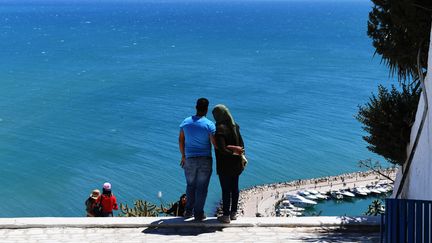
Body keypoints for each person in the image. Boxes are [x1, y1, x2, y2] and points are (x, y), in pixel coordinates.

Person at [179, 98, 216, 221]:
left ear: (196, 107)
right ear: (206, 109)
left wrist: (183, 156)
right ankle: (199, 213)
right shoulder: (209, 124)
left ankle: (188, 212)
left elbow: (181, 140)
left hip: (189, 159)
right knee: (202, 187)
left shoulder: (185, 122)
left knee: (190, 186)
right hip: (205, 159)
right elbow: (214, 143)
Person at [212, 104, 245, 223]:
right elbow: (242, 146)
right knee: (235, 188)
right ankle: (234, 213)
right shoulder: (235, 126)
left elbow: (221, 149)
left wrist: (230, 150)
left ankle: (226, 215)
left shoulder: (220, 129)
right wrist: (235, 150)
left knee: (226, 189)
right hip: (236, 163)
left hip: (224, 164)